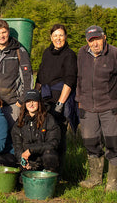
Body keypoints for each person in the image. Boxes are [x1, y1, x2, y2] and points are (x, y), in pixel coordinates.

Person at [76, 25, 117, 192]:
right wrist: (79, 100)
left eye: (97, 39)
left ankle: (112, 182)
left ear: (104, 37)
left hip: (110, 107)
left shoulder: (115, 53)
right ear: (87, 41)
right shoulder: (81, 54)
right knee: (90, 142)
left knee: (114, 143)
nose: (95, 43)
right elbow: (79, 78)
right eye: (91, 40)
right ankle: (95, 178)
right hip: (87, 107)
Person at [35, 24, 78, 171]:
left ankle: (58, 172)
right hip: (45, 99)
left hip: (60, 100)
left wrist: (60, 103)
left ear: (65, 37)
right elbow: (40, 76)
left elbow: (70, 80)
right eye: (55, 35)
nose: (58, 38)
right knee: (43, 134)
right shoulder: (47, 53)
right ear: (51, 37)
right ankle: (43, 166)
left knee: (58, 135)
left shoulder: (70, 55)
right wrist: (35, 96)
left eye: (61, 35)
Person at [11, 90, 61, 172]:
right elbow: (17, 147)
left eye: (34, 101)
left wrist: (31, 150)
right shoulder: (19, 122)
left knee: (50, 156)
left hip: (44, 157)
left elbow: (53, 143)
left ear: (39, 103)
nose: (31, 104)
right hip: (29, 159)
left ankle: (49, 176)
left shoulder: (49, 119)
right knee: (22, 179)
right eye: (28, 101)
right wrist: (22, 160)